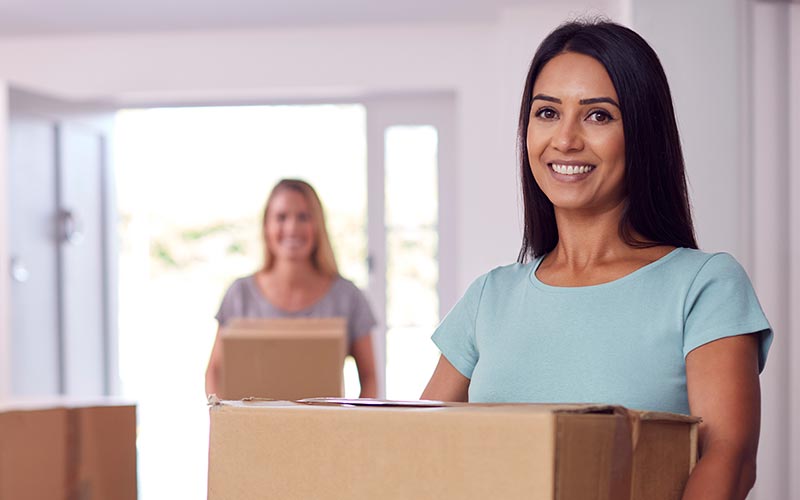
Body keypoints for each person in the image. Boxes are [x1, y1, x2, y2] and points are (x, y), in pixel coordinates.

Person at [421, 20, 772, 500]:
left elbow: (729, 458)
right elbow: (419, 447)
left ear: (643, 133)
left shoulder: (705, 285)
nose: (565, 140)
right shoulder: (489, 296)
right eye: (546, 112)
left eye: (598, 116)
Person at [206, 178, 377, 398]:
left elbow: (369, 376)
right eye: (281, 217)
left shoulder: (348, 297)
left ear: (318, 226)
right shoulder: (240, 294)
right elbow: (214, 371)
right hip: (252, 430)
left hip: (325, 430)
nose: (292, 227)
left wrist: (353, 426)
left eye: (303, 217)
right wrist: (224, 417)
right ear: (266, 226)